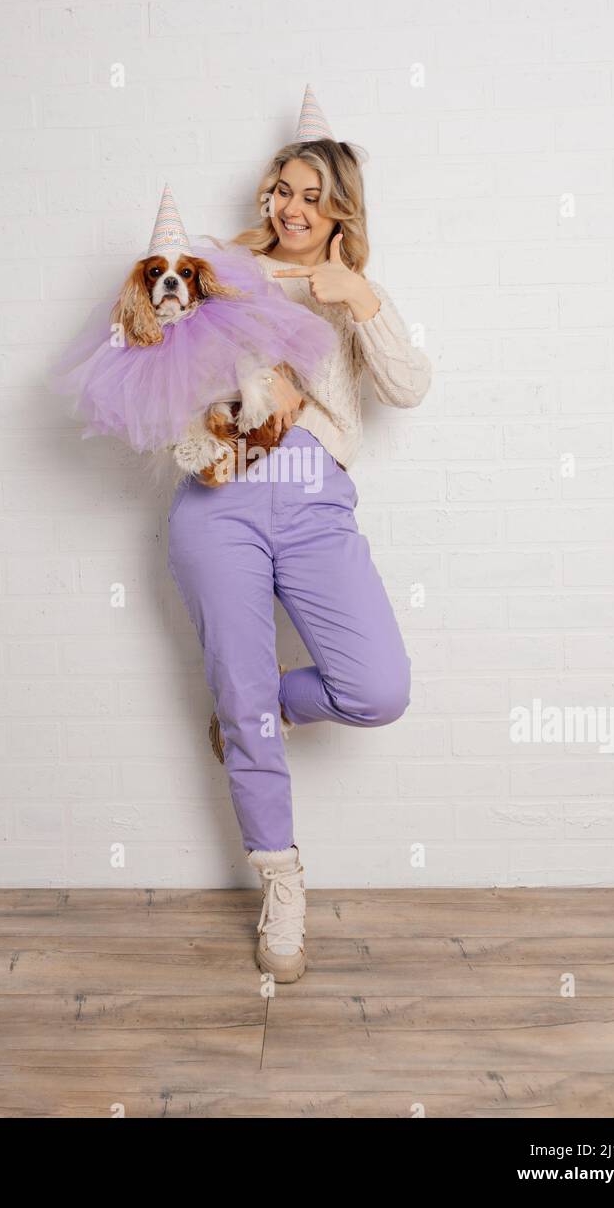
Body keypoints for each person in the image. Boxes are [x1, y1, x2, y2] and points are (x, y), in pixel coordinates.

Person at [166, 87, 432, 983]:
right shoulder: (217, 270)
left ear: (343, 212)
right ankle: (281, 880)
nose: (291, 208)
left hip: (314, 498)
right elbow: (157, 364)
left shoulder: (350, 290)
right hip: (220, 500)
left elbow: (408, 385)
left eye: (313, 197)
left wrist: (358, 296)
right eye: (282, 189)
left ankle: (262, 700)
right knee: (239, 700)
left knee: (378, 688)